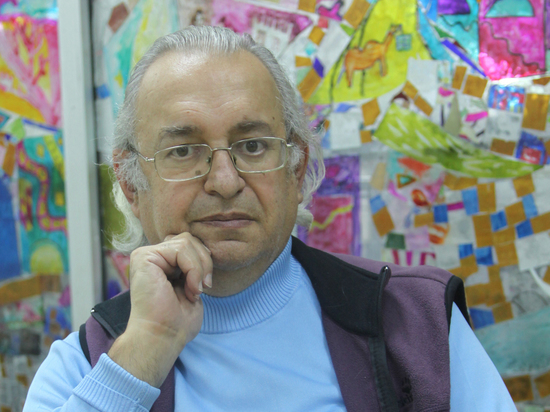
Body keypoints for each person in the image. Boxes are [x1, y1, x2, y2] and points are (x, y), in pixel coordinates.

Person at [24, 25, 516, 411]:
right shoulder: (81, 368)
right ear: (132, 185)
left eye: (254, 146)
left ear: (296, 169)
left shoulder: (418, 324)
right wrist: (144, 351)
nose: (224, 181)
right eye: (183, 151)